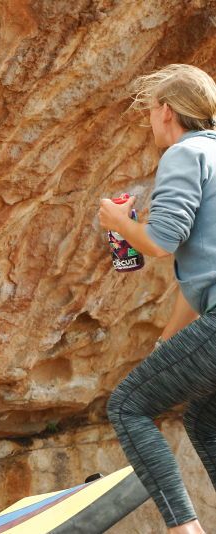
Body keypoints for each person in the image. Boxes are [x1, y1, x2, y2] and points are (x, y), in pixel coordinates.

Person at [99, 64, 216, 534]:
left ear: (166, 111)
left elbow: (163, 240)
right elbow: (200, 279)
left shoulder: (185, 154)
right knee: (205, 423)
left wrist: (118, 221)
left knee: (128, 406)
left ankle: (184, 531)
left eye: (150, 111)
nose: (150, 121)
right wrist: (168, 341)